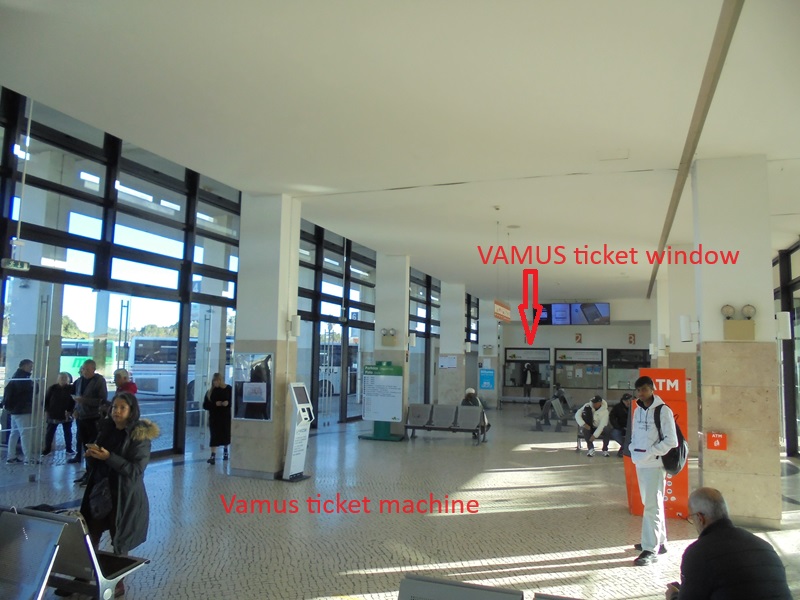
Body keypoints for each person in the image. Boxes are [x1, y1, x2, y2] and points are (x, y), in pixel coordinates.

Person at [81, 392, 159, 598]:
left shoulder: (139, 437)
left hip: (123, 496)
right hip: (100, 492)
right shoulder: (106, 429)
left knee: (120, 540)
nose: (116, 411)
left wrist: (109, 457)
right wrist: (93, 456)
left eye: (122, 408)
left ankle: (117, 581)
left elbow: (135, 471)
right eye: (114, 407)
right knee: (90, 536)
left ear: (131, 411)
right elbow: (97, 464)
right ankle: (83, 575)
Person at [665, 487, 792, 599]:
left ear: (700, 518)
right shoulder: (764, 546)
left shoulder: (698, 553)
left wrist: (673, 596)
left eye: (691, 518)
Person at [629, 375, 677, 566]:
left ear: (652, 389)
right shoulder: (637, 410)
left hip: (654, 465)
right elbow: (634, 435)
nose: (641, 393)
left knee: (651, 506)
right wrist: (634, 451)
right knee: (650, 503)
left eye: (645, 389)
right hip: (640, 463)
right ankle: (661, 542)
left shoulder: (663, 411)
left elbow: (671, 441)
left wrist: (650, 453)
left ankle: (650, 549)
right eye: (639, 390)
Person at [69, 359, 109, 471]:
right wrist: (75, 409)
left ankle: (93, 470)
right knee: (82, 441)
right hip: (81, 417)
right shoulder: (79, 381)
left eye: (87, 369)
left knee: (93, 443)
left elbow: (102, 400)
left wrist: (84, 401)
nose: (84, 371)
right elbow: (76, 398)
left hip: (93, 417)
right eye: (83, 369)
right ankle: (87, 469)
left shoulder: (99, 381)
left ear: (93, 369)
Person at [3, 358, 35, 463]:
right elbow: (30, 391)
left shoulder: (16, 376)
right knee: (25, 433)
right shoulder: (23, 378)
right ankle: (28, 458)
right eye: (30, 366)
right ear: (24, 366)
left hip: (14, 410)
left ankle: (11, 456)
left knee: (14, 433)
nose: (31, 369)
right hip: (22, 410)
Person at [43, 372, 76, 456]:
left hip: (66, 414)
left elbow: (74, 401)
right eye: (61, 378)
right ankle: (47, 449)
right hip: (53, 413)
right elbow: (46, 400)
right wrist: (47, 411)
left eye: (65, 378)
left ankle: (69, 448)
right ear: (58, 379)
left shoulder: (71, 388)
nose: (63, 380)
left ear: (68, 379)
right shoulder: (52, 388)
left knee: (67, 432)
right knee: (50, 432)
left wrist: (71, 411)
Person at [203, 372, 232, 464]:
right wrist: (215, 404)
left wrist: (227, 403)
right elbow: (205, 405)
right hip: (214, 417)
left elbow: (233, 400)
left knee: (225, 434)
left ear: (221, 380)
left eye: (217, 380)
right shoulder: (210, 392)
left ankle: (226, 452)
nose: (216, 383)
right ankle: (213, 455)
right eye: (214, 381)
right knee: (214, 436)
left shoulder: (228, 389)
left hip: (225, 416)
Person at [602, 392, 633, 457]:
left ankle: (624, 448)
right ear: (623, 401)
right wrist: (618, 427)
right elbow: (612, 417)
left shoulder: (636, 407)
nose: (628, 402)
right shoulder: (617, 407)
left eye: (629, 400)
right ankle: (625, 447)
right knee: (614, 433)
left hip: (632, 428)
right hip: (620, 427)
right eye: (626, 401)